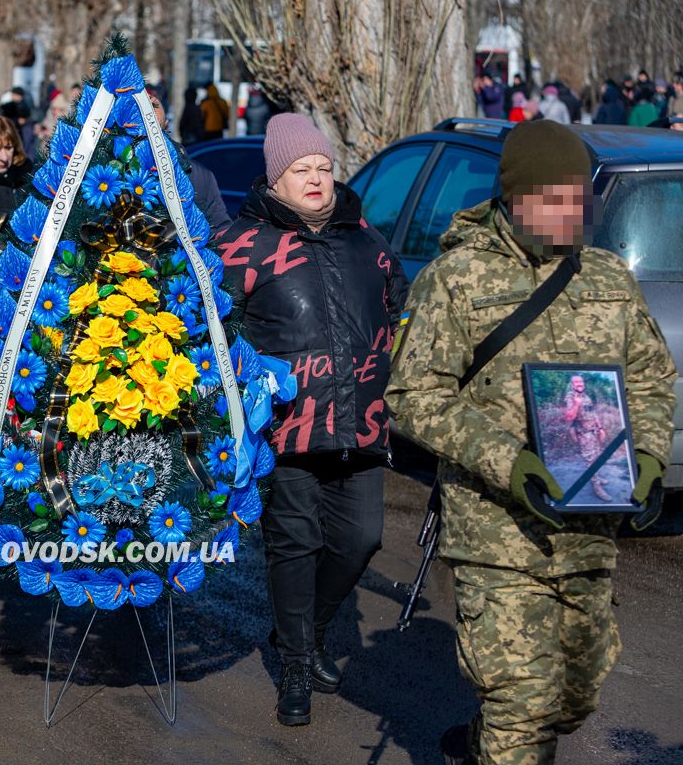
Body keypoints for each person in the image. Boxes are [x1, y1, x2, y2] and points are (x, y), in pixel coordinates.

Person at [385, 120, 676, 765]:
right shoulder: (456, 279)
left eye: (578, 199)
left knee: (572, 698)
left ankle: (487, 742)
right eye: (553, 200)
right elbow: (413, 397)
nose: (570, 213)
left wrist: (649, 458)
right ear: (515, 199)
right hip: (496, 530)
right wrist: (510, 464)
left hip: (589, 524)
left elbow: (653, 377)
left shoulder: (607, 277)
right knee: (523, 702)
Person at [213, 114, 408, 727]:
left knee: (360, 539)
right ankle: (297, 664)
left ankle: (306, 631)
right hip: (288, 428)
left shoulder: (367, 242)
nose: (318, 178)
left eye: (324, 167)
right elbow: (216, 333)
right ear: (277, 179)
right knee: (294, 546)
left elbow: (399, 313)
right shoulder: (242, 247)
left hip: (363, 421)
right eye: (303, 170)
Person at [148, 90, 230, 228]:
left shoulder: (198, 175)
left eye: (153, 106)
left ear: (166, 123)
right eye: (136, 105)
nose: (145, 111)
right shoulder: (108, 168)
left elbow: (219, 229)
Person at [562, 374, 613, 502]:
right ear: (572, 385)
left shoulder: (586, 396)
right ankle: (596, 486)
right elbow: (568, 417)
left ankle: (596, 477)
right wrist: (577, 404)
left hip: (594, 432)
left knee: (597, 456)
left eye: (581, 381)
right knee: (591, 459)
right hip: (584, 434)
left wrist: (600, 428)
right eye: (576, 382)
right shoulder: (570, 397)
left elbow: (593, 413)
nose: (579, 384)